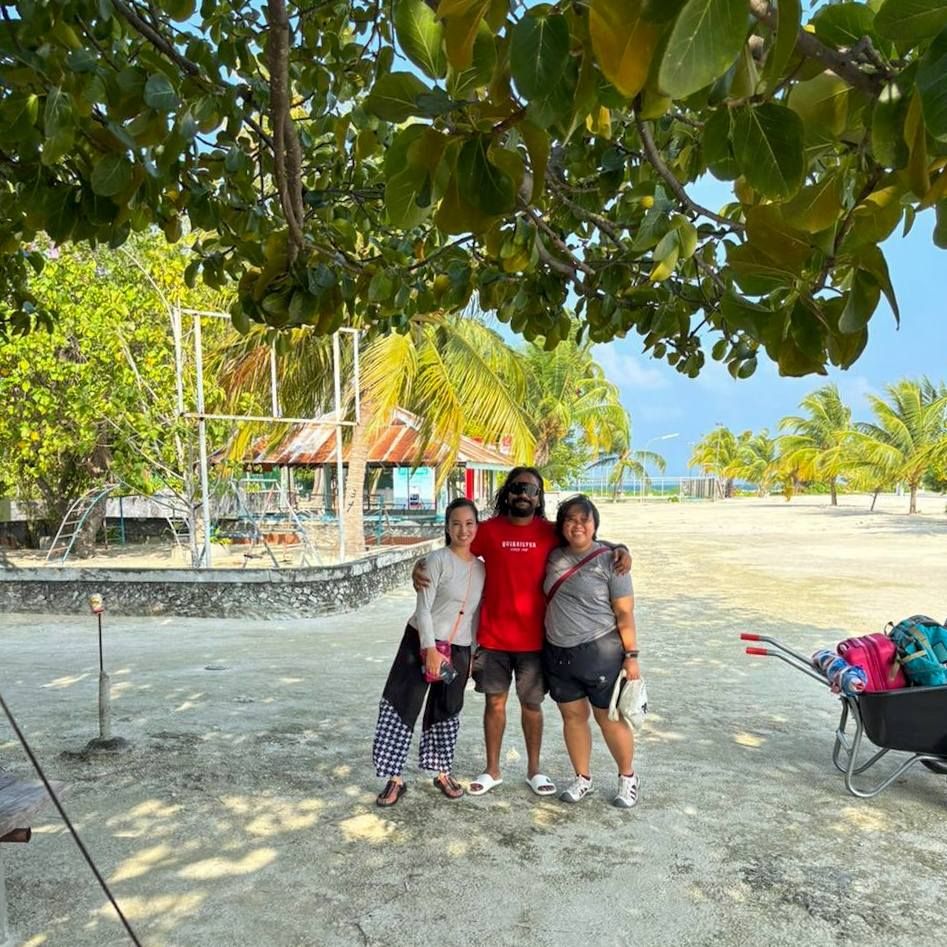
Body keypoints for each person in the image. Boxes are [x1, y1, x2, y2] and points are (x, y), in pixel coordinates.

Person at [413, 467, 630, 798]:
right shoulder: (488, 530)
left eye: (531, 489)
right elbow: (458, 543)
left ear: (539, 497)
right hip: (493, 639)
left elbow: (584, 537)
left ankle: (534, 770)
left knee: (532, 706)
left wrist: (620, 546)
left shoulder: (550, 532)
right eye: (517, 488)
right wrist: (421, 565)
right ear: (507, 492)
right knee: (494, 705)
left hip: (536, 641)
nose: (523, 494)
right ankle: (493, 770)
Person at [372, 498, 485, 807]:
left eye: (469, 523)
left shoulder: (482, 569)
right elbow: (423, 609)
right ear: (447, 528)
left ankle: (441, 771)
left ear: (477, 526)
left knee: (447, 710)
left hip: (459, 649)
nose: (463, 530)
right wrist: (430, 649)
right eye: (456, 524)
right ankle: (393, 778)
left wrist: (473, 655)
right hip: (421, 643)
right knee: (401, 705)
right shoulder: (435, 561)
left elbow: (473, 616)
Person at [543, 494, 640, 808]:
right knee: (573, 718)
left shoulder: (611, 561)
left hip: (601, 651)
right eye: (570, 519)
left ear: (595, 525)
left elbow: (624, 613)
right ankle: (582, 777)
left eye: (584, 519)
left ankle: (627, 778)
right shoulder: (553, 555)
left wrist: (632, 657)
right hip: (558, 652)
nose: (577, 525)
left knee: (608, 719)